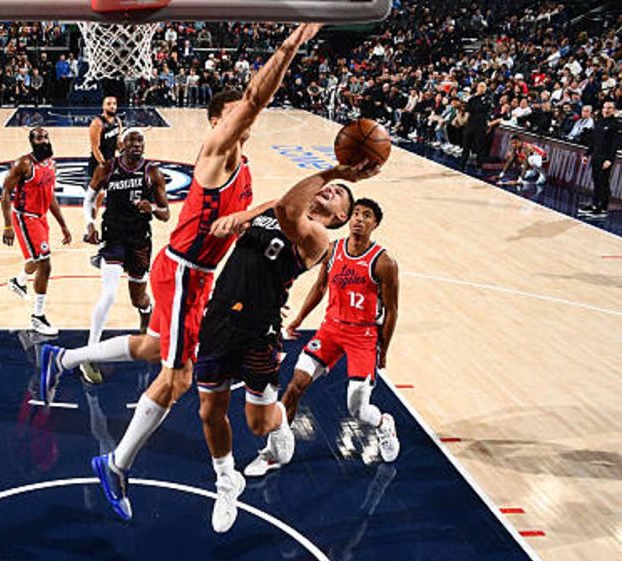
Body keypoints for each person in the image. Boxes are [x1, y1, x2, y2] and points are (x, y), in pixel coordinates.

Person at [40, 23, 324, 521]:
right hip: (185, 272)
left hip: (193, 274)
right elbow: (255, 98)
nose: (245, 117)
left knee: (154, 347)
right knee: (177, 379)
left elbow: (268, 207)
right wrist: (291, 43)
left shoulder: (243, 162)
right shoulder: (217, 153)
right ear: (216, 120)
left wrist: (253, 211)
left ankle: (61, 359)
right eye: (233, 113)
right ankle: (115, 464)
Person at [195, 166, 375, 533]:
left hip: (259, 329)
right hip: (218, 316)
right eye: (330, 187)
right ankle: (227, 481)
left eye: (339, 194)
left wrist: (336, 171)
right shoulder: (277, 206)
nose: (330, 190)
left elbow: (287, 210)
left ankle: (279, 426)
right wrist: (236, 220)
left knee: (257, 424)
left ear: (340, 217)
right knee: (209, 411)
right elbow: (261, 211)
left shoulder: (317, 238)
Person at [248, 198, 400, 478]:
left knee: (357, 408)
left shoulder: (383, 262)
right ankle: (274, 452)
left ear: (375, 224)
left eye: (366, 216)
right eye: (356, 213)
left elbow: (392, 310)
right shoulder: (333, 249)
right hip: (330, 330)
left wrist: (384, 350)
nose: (359, 219)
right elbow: (319, 288)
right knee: (295, 385)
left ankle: (383, 424)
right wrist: (299, 319)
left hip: (363, 335)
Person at [79, 129, 171, 384]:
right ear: (122, 144)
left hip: (139, 241)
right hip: (114, 239)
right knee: (108, 294)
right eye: (132, 141)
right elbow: (88, 200)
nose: (137, 145)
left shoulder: (152, 173)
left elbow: (166, 214)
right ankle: (89, 354)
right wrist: (90, 225)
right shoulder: (107, 169)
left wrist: (151, 208)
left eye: (140, 141)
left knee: (138, 298)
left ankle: (146, 311)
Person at [2, 127, 72, 336]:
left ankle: (19, 281)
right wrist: (7, 226)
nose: (44, 141)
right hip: (26, 217)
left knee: (37, 258)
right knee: (45, 264)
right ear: (32, 142)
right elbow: (6, 193)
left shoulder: (51, 164)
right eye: (39, 138)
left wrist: (63, 224)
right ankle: (37, 317)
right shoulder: (23, 164)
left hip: (41, 217)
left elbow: (50, 196)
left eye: (46, 137)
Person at [578, 101, 620, 219]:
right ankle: (595, 204)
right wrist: (587, 154)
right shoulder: (599, 122)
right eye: (605, 108)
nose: (606, 110)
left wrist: (610, 159)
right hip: (595, 156)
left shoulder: (616, 124)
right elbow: (593, 140)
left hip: (605, 158)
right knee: (596, 181)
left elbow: (615, 144)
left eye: (609, 108)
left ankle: (603, 208)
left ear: (614, 110)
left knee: (603, 182)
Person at [88, 95, 123, 181]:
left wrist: (126, 151)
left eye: (114, 104)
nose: (112, 106)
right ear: (103, 106)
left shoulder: (117, 121)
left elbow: (118, 143)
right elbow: (95, 148)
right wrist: (104, 165)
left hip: (111, 161)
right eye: (109, 104)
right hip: (98, 163)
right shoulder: (97, 123)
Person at [459, 82, 492, 171]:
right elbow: (468, 111)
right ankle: (462, 163)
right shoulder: (472, 99)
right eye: (480, 86)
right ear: (477, 87)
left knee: (480, 146)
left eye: (483, 87)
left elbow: (485, 109)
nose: (481, 88)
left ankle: (479, 164)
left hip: (481, 125)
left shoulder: (487, 98)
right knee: (466, 145)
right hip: (471, 124)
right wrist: (464, 120)